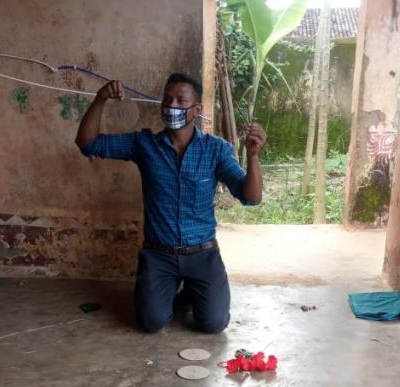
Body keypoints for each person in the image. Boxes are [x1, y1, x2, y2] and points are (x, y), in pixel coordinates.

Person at [75, 73, 266, 333]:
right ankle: (171, 288)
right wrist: (100, 99)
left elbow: (251, 197)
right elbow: (87, 143)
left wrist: (253, 156)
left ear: (196, 110)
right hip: (158, 254)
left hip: (203, 253)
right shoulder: (144, 145)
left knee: (213, 323)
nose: (172, 106)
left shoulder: (216, 150)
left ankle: (192, 289)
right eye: (168, 100)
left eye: (181, 100)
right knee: (151, 322)